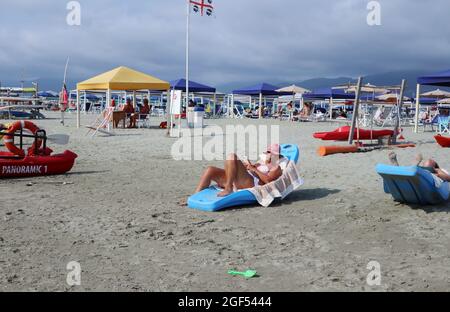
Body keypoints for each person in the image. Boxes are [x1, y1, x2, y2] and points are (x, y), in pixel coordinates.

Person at [195, 144, 285, 197]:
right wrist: (248, 166)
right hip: (243, 179)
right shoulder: (261, 162)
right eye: (269, 152)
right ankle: (195, 196)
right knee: (210, 170)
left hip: (251, 183)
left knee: (232, 156)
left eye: (273, 154)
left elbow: (268, 181)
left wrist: (254, 169)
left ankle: (229, 187)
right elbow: (251, 169)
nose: (271, 155)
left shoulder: (276, 167)